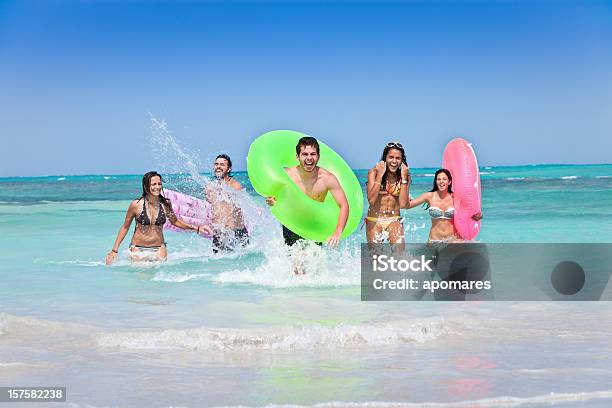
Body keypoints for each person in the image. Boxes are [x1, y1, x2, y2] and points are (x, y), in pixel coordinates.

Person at [105, 171, 212, 264]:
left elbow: (175, 222)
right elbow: (125, 227)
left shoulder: (165, 204)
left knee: (160, 284)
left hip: (159, 249)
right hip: (138, 249)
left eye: (159, 184)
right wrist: (114, 250)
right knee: (140, 282)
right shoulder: (136, 205)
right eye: (154, 184)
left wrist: (197, 228)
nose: (157, 187)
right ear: (146, 186)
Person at [265, 137, 349, 248]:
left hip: (314, 225)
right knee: (294, 262)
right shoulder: (287, 175)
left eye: (313, 154)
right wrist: (272, 200)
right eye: (305, 154)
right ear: (297, 157)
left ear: (318, 157)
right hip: (292, 223)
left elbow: (344, 205)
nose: (309, 158)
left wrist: (338, 231)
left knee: (313, 262)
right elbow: (273, 195)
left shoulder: (327, 179)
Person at [406, 168, 482, 244]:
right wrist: (407, 185)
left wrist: (477, 217)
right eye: (438, 179)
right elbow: (407, 205)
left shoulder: (456, 198)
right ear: (436, 182)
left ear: (449, 182)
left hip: (452, 240)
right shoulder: (429, 196)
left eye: (444, 179)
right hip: (434, 240)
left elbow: (469, 213)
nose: (441, 181)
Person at [365, 142, 411, 245]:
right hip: (374, 219)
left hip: (394, 220)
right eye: (391, 157)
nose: (394, 161)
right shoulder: (374, 172)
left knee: (399, 256)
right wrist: (380, 176)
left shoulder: (405, 176)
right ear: (385, 158)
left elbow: (403, 204)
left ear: (402, 160)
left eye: (398, 158)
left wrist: (404, 178)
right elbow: (371, 200)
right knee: (376, 258)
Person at [205, 154, 249, 253]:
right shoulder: (209, 188)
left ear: (229, 169)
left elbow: (242, 209)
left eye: (222, 164)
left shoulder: (235, 186)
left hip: (236, 232)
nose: (218, 167)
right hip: (219, 233)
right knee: (219, 264)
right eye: (216, 164)